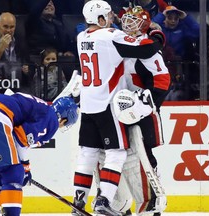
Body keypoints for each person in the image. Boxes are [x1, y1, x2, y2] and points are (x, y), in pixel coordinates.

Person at [71, 1, 166, 215]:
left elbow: (161, 80)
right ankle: (105, 200)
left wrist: (146, 103)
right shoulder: (111, 36)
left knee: (89, 154)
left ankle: (79, 200)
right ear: (101, 20)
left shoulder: (81, 37)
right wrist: (158, 36)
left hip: (93, 107)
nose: (116, 19)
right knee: (115, 154)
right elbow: (147, 48)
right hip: (109, 107)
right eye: (110, 16)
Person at [0, 90, 79, 216]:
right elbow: (21, 139)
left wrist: (25, 167)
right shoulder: (51, 119)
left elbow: (18, 137)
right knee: (13, 172)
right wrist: (24, 167)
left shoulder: (42, 108)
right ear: (64, 119)